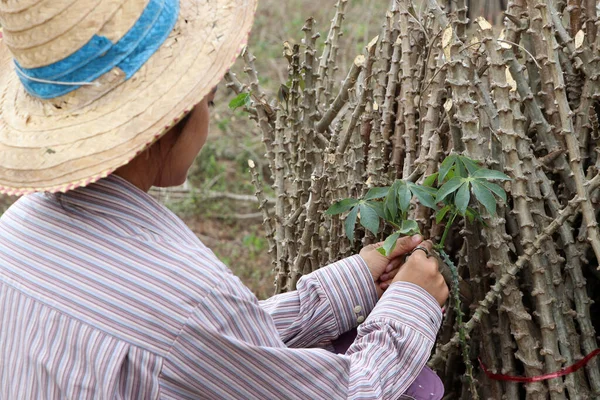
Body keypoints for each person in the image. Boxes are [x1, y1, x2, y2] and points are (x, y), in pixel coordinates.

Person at [0, 0, 449, 399]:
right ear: (170, 119)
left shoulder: (15, 230)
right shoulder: (188, 297)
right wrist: (412, 303)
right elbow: (347, 392)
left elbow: (206, 347)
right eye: (209, 103)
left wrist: (349, 284)